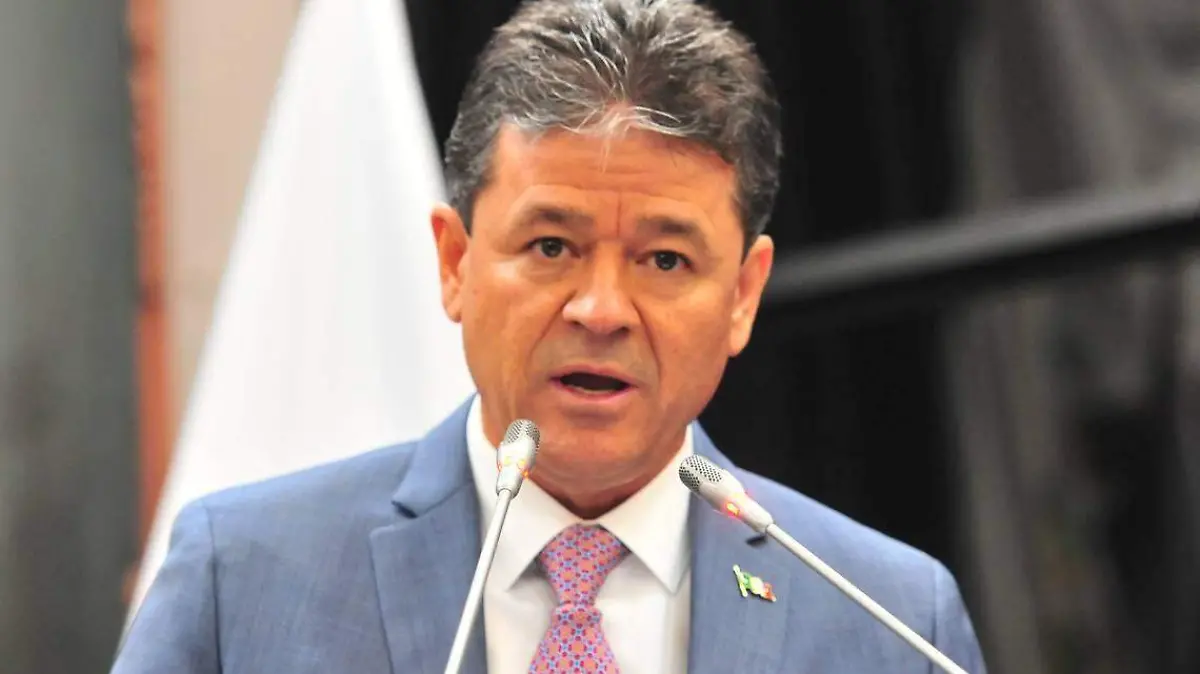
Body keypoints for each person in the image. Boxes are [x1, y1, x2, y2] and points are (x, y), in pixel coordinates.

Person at [112, 1, 987, 672]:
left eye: (666, 260)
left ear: (742, 295)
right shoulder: (244, 579)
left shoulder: (891, 621)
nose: (600, 310)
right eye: (551, 247)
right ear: (455, 263)